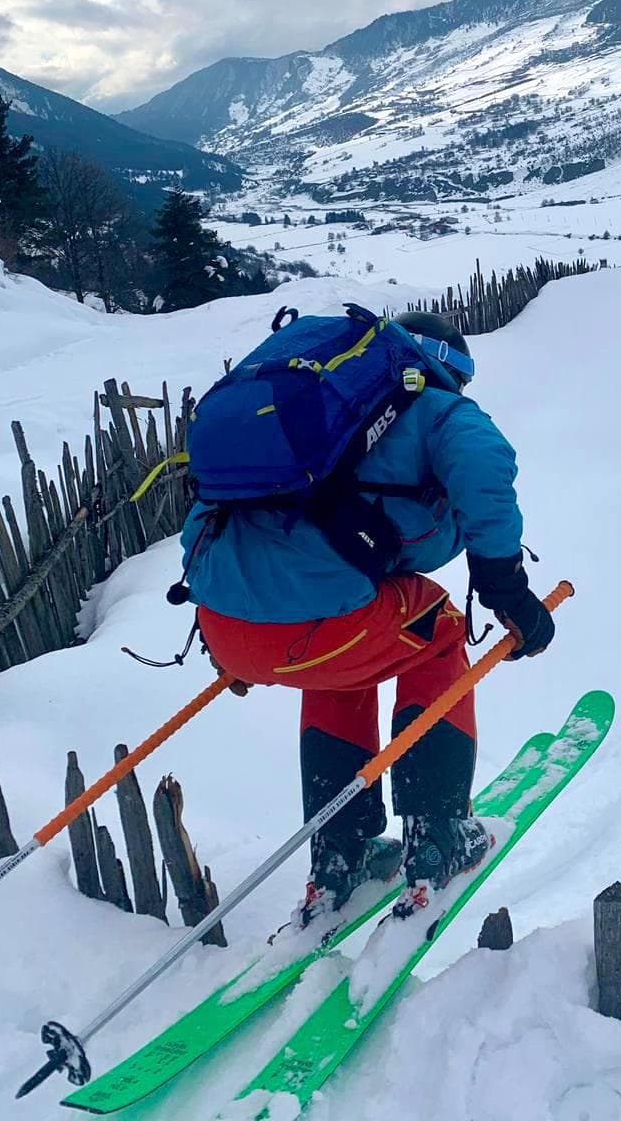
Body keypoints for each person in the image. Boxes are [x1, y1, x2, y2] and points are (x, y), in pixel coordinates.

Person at [180, 311, 555, 926]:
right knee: (439, 635)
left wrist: (230, 641)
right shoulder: (435, 409)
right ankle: (437, 839)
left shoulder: (309, 417)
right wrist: (504, 585)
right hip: (323, 630)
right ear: (450, 369)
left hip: (225, 625)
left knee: (345, 672)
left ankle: (339, 853)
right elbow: (485, 466)